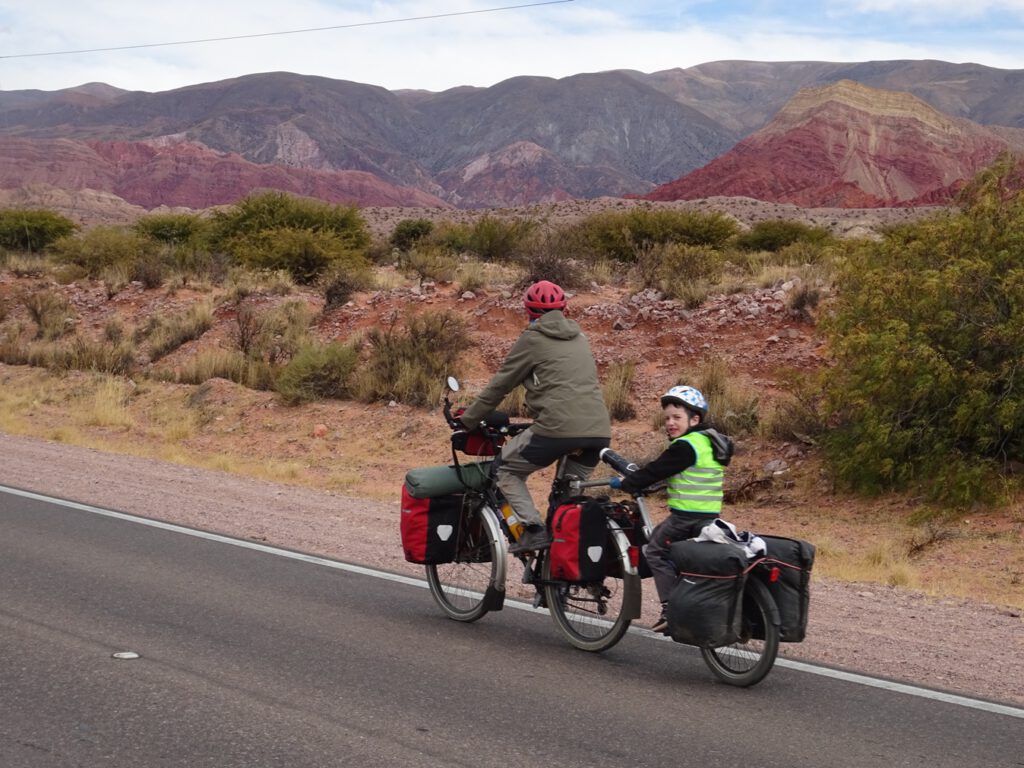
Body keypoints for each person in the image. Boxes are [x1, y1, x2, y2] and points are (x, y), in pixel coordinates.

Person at [458, 280, 611, 554]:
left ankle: (533, 529)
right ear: (564, 308)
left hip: (555, 428)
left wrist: (468, 420)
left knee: (505, 470)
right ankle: (558, 581)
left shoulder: (532, 339)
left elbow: (500, 385)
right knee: (567, 509)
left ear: (528, 311)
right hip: (598, 432)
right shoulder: (580, 337)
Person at [609, 385, 734, 633]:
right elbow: (682, 473)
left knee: (655, 550)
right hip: (710, 518)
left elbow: (658, 469)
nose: (670, 423)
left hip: (685, 518)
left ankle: (670, 609)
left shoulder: (686, 445)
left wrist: (627, 483)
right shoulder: (709, 443)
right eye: (667, 418)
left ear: (695, 419)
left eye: (677, 417)